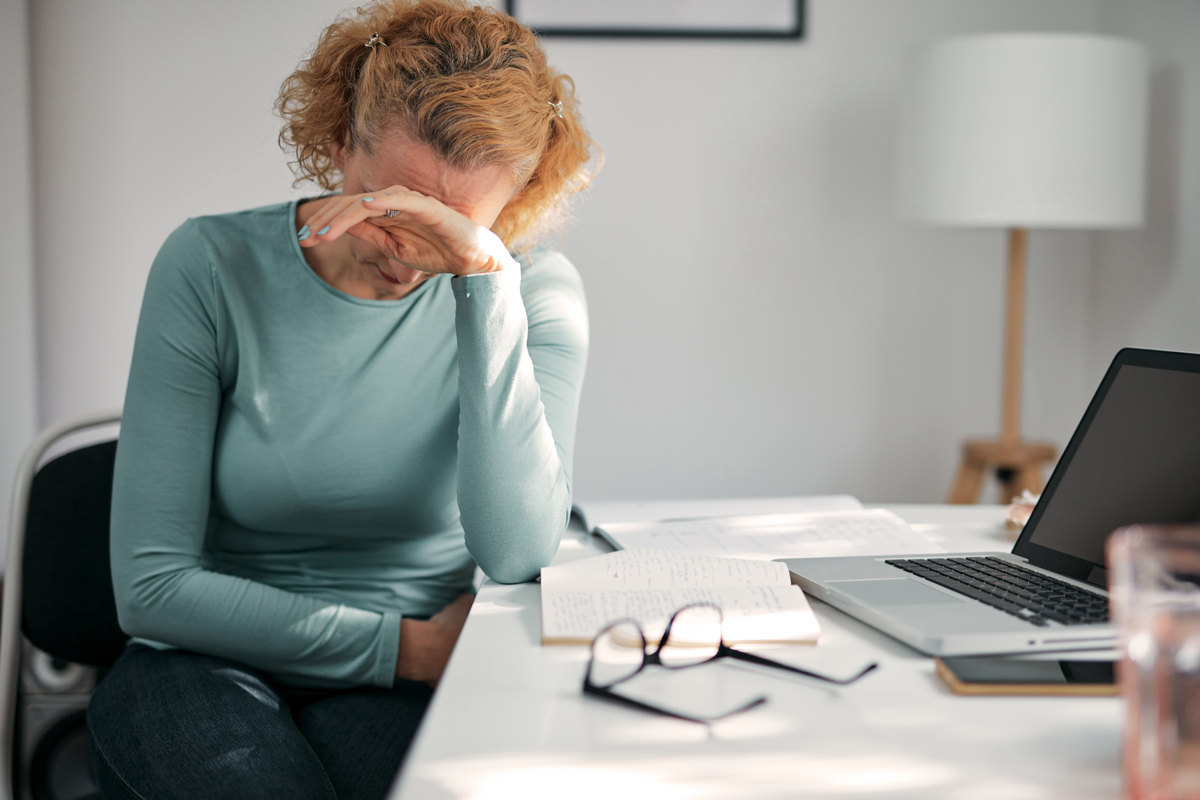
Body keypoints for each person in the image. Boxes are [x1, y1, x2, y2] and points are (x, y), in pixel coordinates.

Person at [85, 2, 597, 798]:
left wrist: (484, 285)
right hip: (203, 661)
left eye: (450, 224)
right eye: (388, 205)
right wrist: (410, 650)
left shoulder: (534, 294)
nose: (408, 248)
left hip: (398, 691)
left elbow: (518, 552)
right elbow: (151, 589)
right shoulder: (209, 266)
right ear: (335, 145)